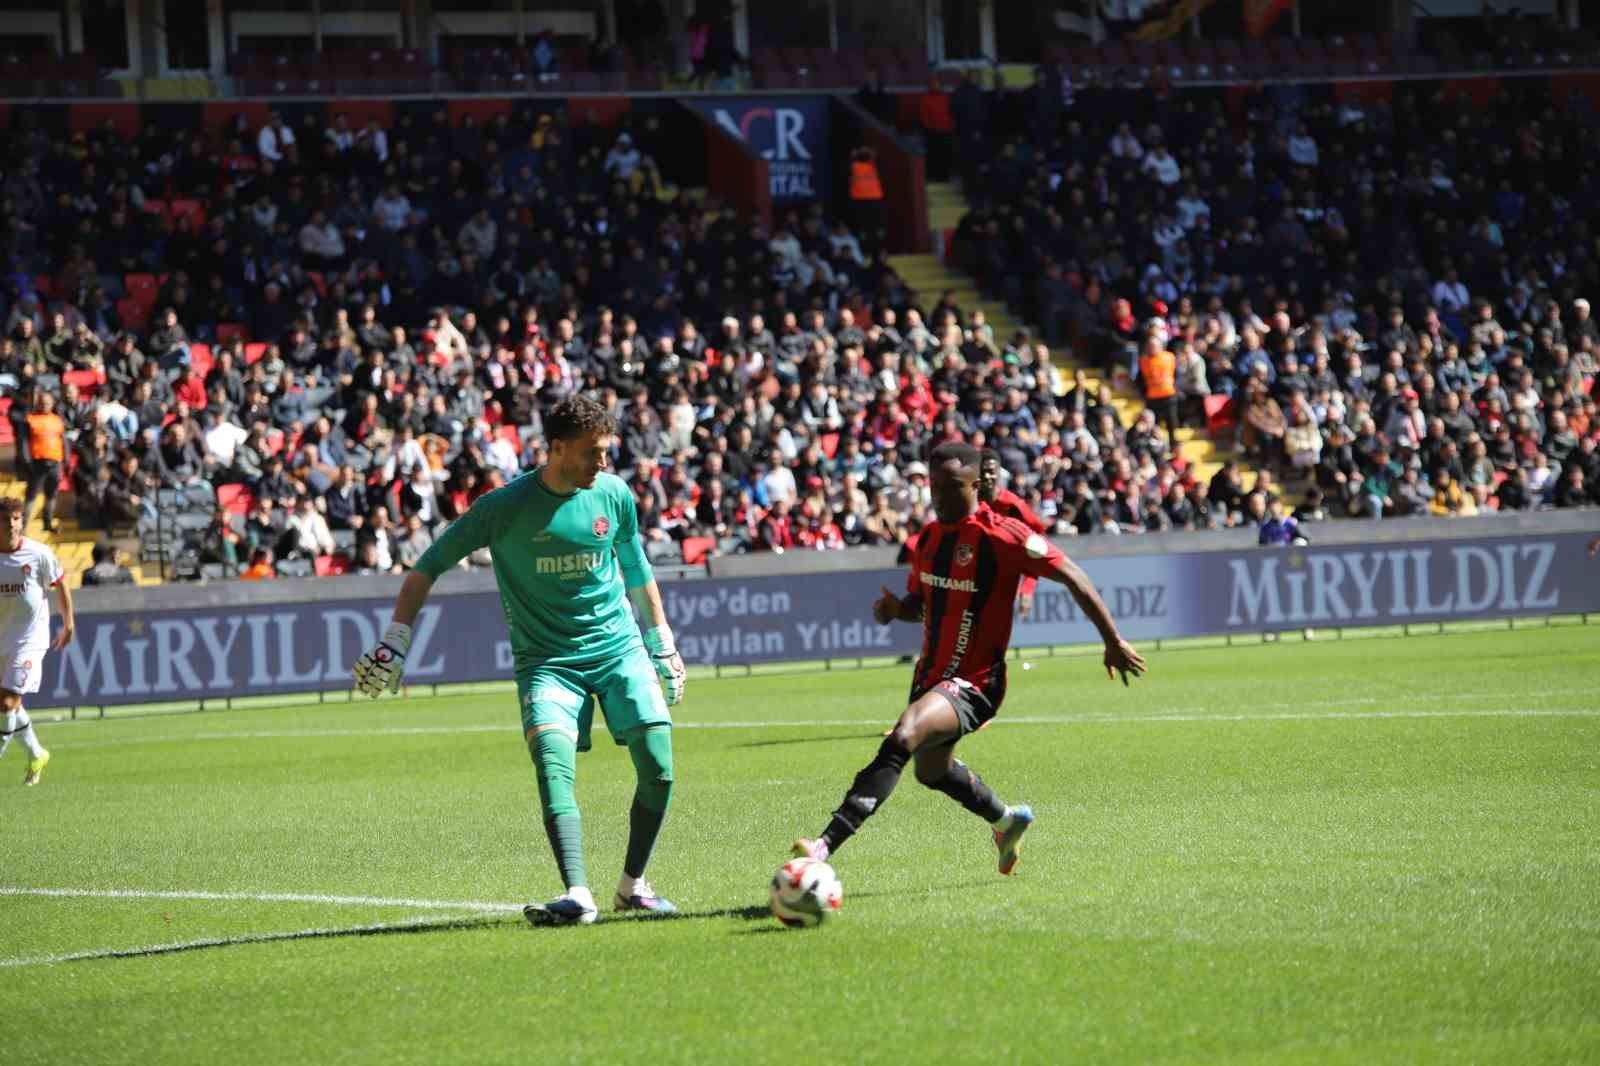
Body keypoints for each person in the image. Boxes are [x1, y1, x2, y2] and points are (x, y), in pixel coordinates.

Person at [351, 396, 688, 926]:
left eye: (606, 451)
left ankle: (633, 886)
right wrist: (395, 639)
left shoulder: (615, 494)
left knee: (660, 768)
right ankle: (578, 894)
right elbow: (425, 568)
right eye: (592, 452)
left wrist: (661, 640)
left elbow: (637, 570)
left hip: (618, 649)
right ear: (555, 449)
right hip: (548, 662)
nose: (604, 462)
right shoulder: (501, 508)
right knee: (553, 766)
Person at [791, 442, 1146, 874]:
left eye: (950, 486)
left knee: (904, 735)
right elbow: (921, 603)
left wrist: (1111, 639)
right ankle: (1006, 821)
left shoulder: (1004, 535)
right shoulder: (929, 539)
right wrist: (895, 611)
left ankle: (824, 847)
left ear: (976, 485)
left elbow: (1072, 574)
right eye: (933, 485)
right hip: (931, 677)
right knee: (931, 771)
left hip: (977, 681)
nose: (938, 495)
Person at [0, 497, 74, 786]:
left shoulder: (38, 553)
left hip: (30, 639)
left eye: (16, 518)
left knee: (7, 702)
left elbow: (61, 583)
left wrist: (68, 623)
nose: (11, 524)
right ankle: (37, 753)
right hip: (2, 638)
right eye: (6, 519)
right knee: (10, 705)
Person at [977, 449, 1049, 617]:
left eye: (991, 472)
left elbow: (1038, 545)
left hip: (1006, 578)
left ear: (999, 473)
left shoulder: (1014, 505)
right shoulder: (970, 505)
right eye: (983, 472)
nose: (988, 477)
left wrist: (1028, 588)